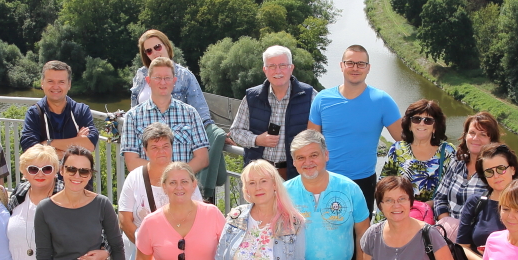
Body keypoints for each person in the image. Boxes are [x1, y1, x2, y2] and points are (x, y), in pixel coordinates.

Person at [131, 29, 227, 197]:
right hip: (147, 155)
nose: (155, 52)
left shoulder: (184, 76)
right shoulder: (141, 75)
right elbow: (134, 108)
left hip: (177, 150)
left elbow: (201, 113)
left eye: (157, 47)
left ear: (167, 46)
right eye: (149, 51)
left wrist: (215, 133)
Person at [307, 45, 403, 211]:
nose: (355, 68)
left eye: (361, 64)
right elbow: (311, 143)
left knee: (361, 227)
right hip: (326, 179)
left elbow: (404, 139)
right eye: (350, 63)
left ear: (368, 68)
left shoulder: (382, 100)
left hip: (363, 181)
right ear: (342, 65)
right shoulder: (322, 99)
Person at [284, 130, 370, 260]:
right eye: (300, 157)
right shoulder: (284, 194)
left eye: (313, 155)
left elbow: (364, 233)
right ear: (294, 162)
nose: (307, 162)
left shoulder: (350, 189)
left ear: (326, 155)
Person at [229, 45, 316, 182]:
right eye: (272, 66)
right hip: (260, 173)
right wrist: (257, 140)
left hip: (295, 174)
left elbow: (322, 135)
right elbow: (235, 131)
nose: (278, 71)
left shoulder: (310, 96)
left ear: (291, 68)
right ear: (265, 70)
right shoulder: (252, 97)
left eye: (282, 65)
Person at [118, 122, 188, 260]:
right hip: (138, 253)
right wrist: (146, 247)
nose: (161, 152)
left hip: (174, 255)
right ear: (145, 150)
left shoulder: (184, 177)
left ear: (172, 147)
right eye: (154, 147)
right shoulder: (134, 178)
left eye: (165, 146)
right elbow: (124, 219)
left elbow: (197, 214)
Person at [121, 57, 209, 174]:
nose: (163, 82)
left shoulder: (190, 113)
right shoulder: (132, 117)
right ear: (148, 81)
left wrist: (176, 178)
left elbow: (202, 159)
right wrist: (166, 177)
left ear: (174, 81)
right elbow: (131, 162)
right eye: (157, 78)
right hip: (148, 184)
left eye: (167, 78)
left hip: (181, 183)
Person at [458, 142, 518, 260]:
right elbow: (462, 247)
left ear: (512, 169)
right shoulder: (475, 203)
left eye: (501, 168)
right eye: (489, 172)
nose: (496, 176)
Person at [432, 112, 498, 241]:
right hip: (445, 232)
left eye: (483, 134)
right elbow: (440, 198)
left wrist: (462, 234)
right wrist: (447, 225)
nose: (475, 138)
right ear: (465, 135)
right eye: (472, 133)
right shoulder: (457, 162)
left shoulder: (494, 171)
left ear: (492, 140)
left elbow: (495, 216)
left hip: (474, 240)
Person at [380, 100, 453, 207]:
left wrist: (429, 205)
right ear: (409, 125)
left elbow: (454, 188)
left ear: (435, 127)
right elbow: (383, 184)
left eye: (428, 120)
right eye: (416, 119)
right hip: (399, 211)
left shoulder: (448, 151)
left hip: (433, 213)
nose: (421, 123)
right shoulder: (397, 149)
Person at [19, 61, 98, 155]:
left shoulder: (81, 111)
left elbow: (89, 144)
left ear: (69, 84)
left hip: (69, 166)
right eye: (50, 81)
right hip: (51, 166)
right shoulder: (34, 113)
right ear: (42, 83)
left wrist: (48, 143)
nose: (56, 87)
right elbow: (30, 151)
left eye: (61, 82)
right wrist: (76, 147)